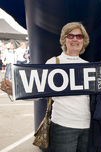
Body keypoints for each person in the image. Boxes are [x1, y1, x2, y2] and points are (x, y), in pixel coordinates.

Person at [1, 22, 91, 152]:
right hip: (63, 126)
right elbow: (37, 91)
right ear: (64, 40)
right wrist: (17, 90)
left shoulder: (88, 66)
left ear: (84, 41)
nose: (75, 39)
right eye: (71, 36)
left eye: (79, 36)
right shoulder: (53, 62)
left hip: (87, 126)